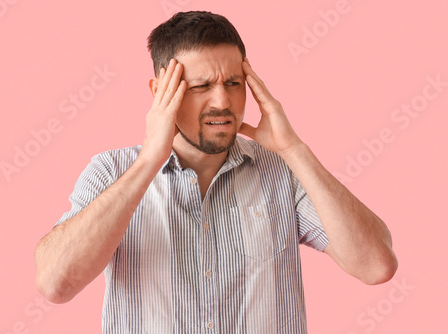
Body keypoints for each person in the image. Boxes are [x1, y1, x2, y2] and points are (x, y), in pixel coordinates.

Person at [34, 11, 398, 334]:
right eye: (201, 86)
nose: (222, 101)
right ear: (160, 92)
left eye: (234, 83)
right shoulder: (111, 171)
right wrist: (148, 161)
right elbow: (55, 283)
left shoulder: (283, 171)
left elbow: (376, 265)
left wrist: (294, 150)